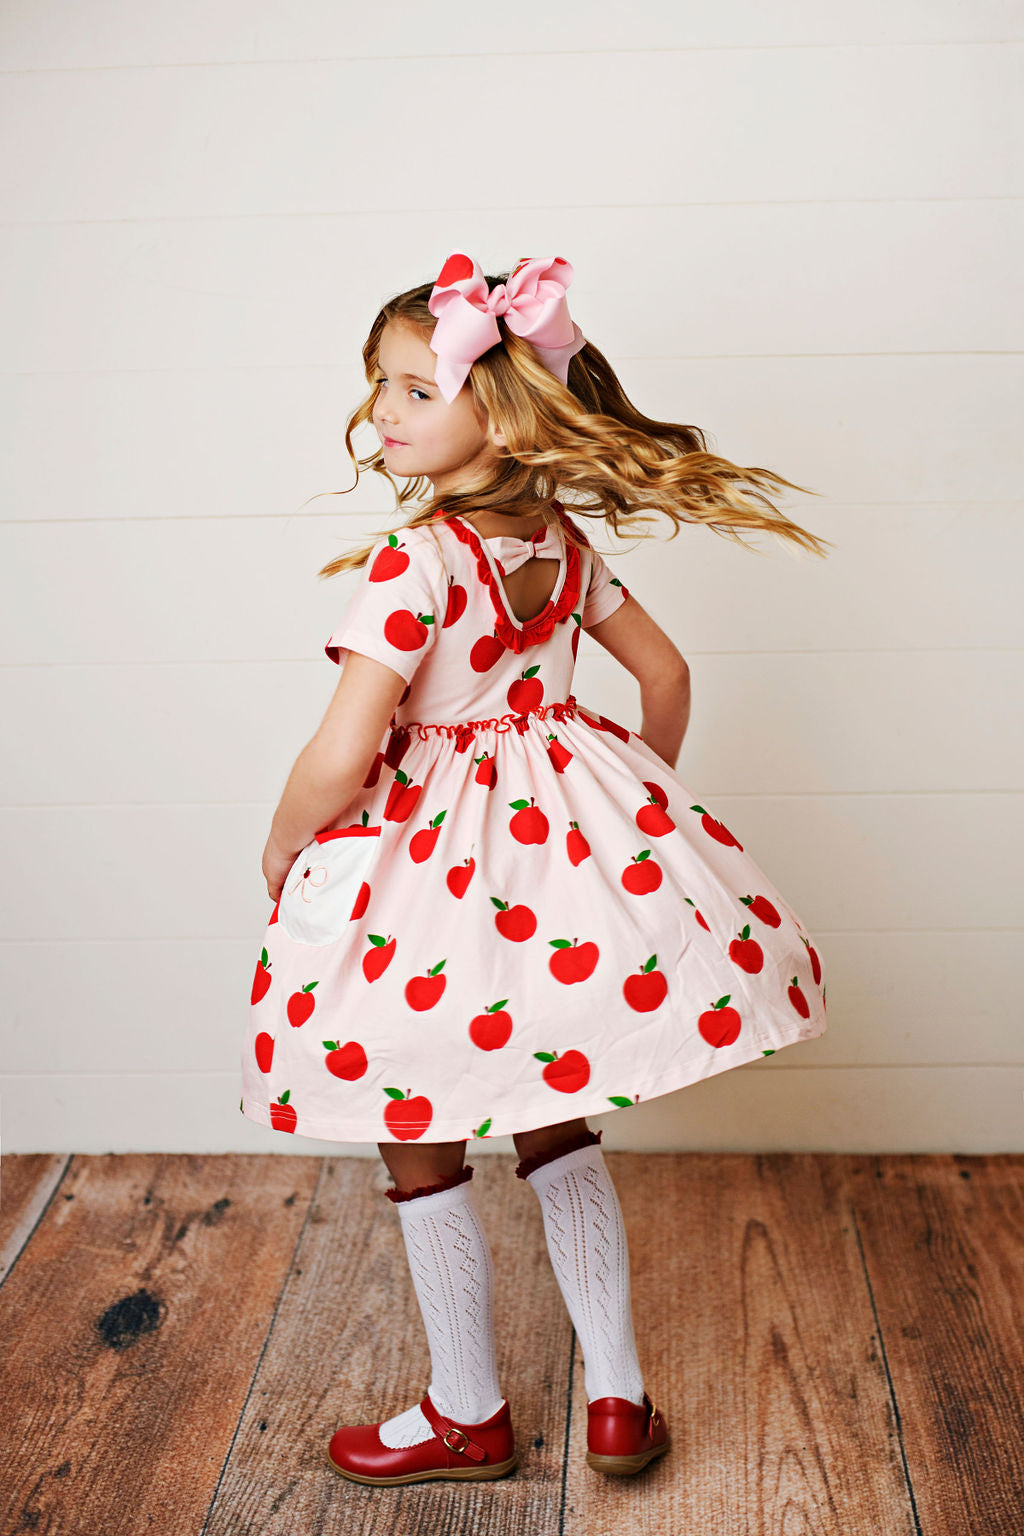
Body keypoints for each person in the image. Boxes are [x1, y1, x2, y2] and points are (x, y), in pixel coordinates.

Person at [240, 251, 831, 1487]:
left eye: (414, 389)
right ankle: (617, 1399)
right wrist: (629, 814)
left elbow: (345, 748)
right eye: (381, 385)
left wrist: (287, 838)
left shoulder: (416, 561)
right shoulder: (563, 546)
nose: (380, 412)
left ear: (500, 413)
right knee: (557, 1121)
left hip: (419, 884)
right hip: (544, 879)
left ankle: (467, 1412)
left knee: (417, 1132)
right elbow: (664, 676)